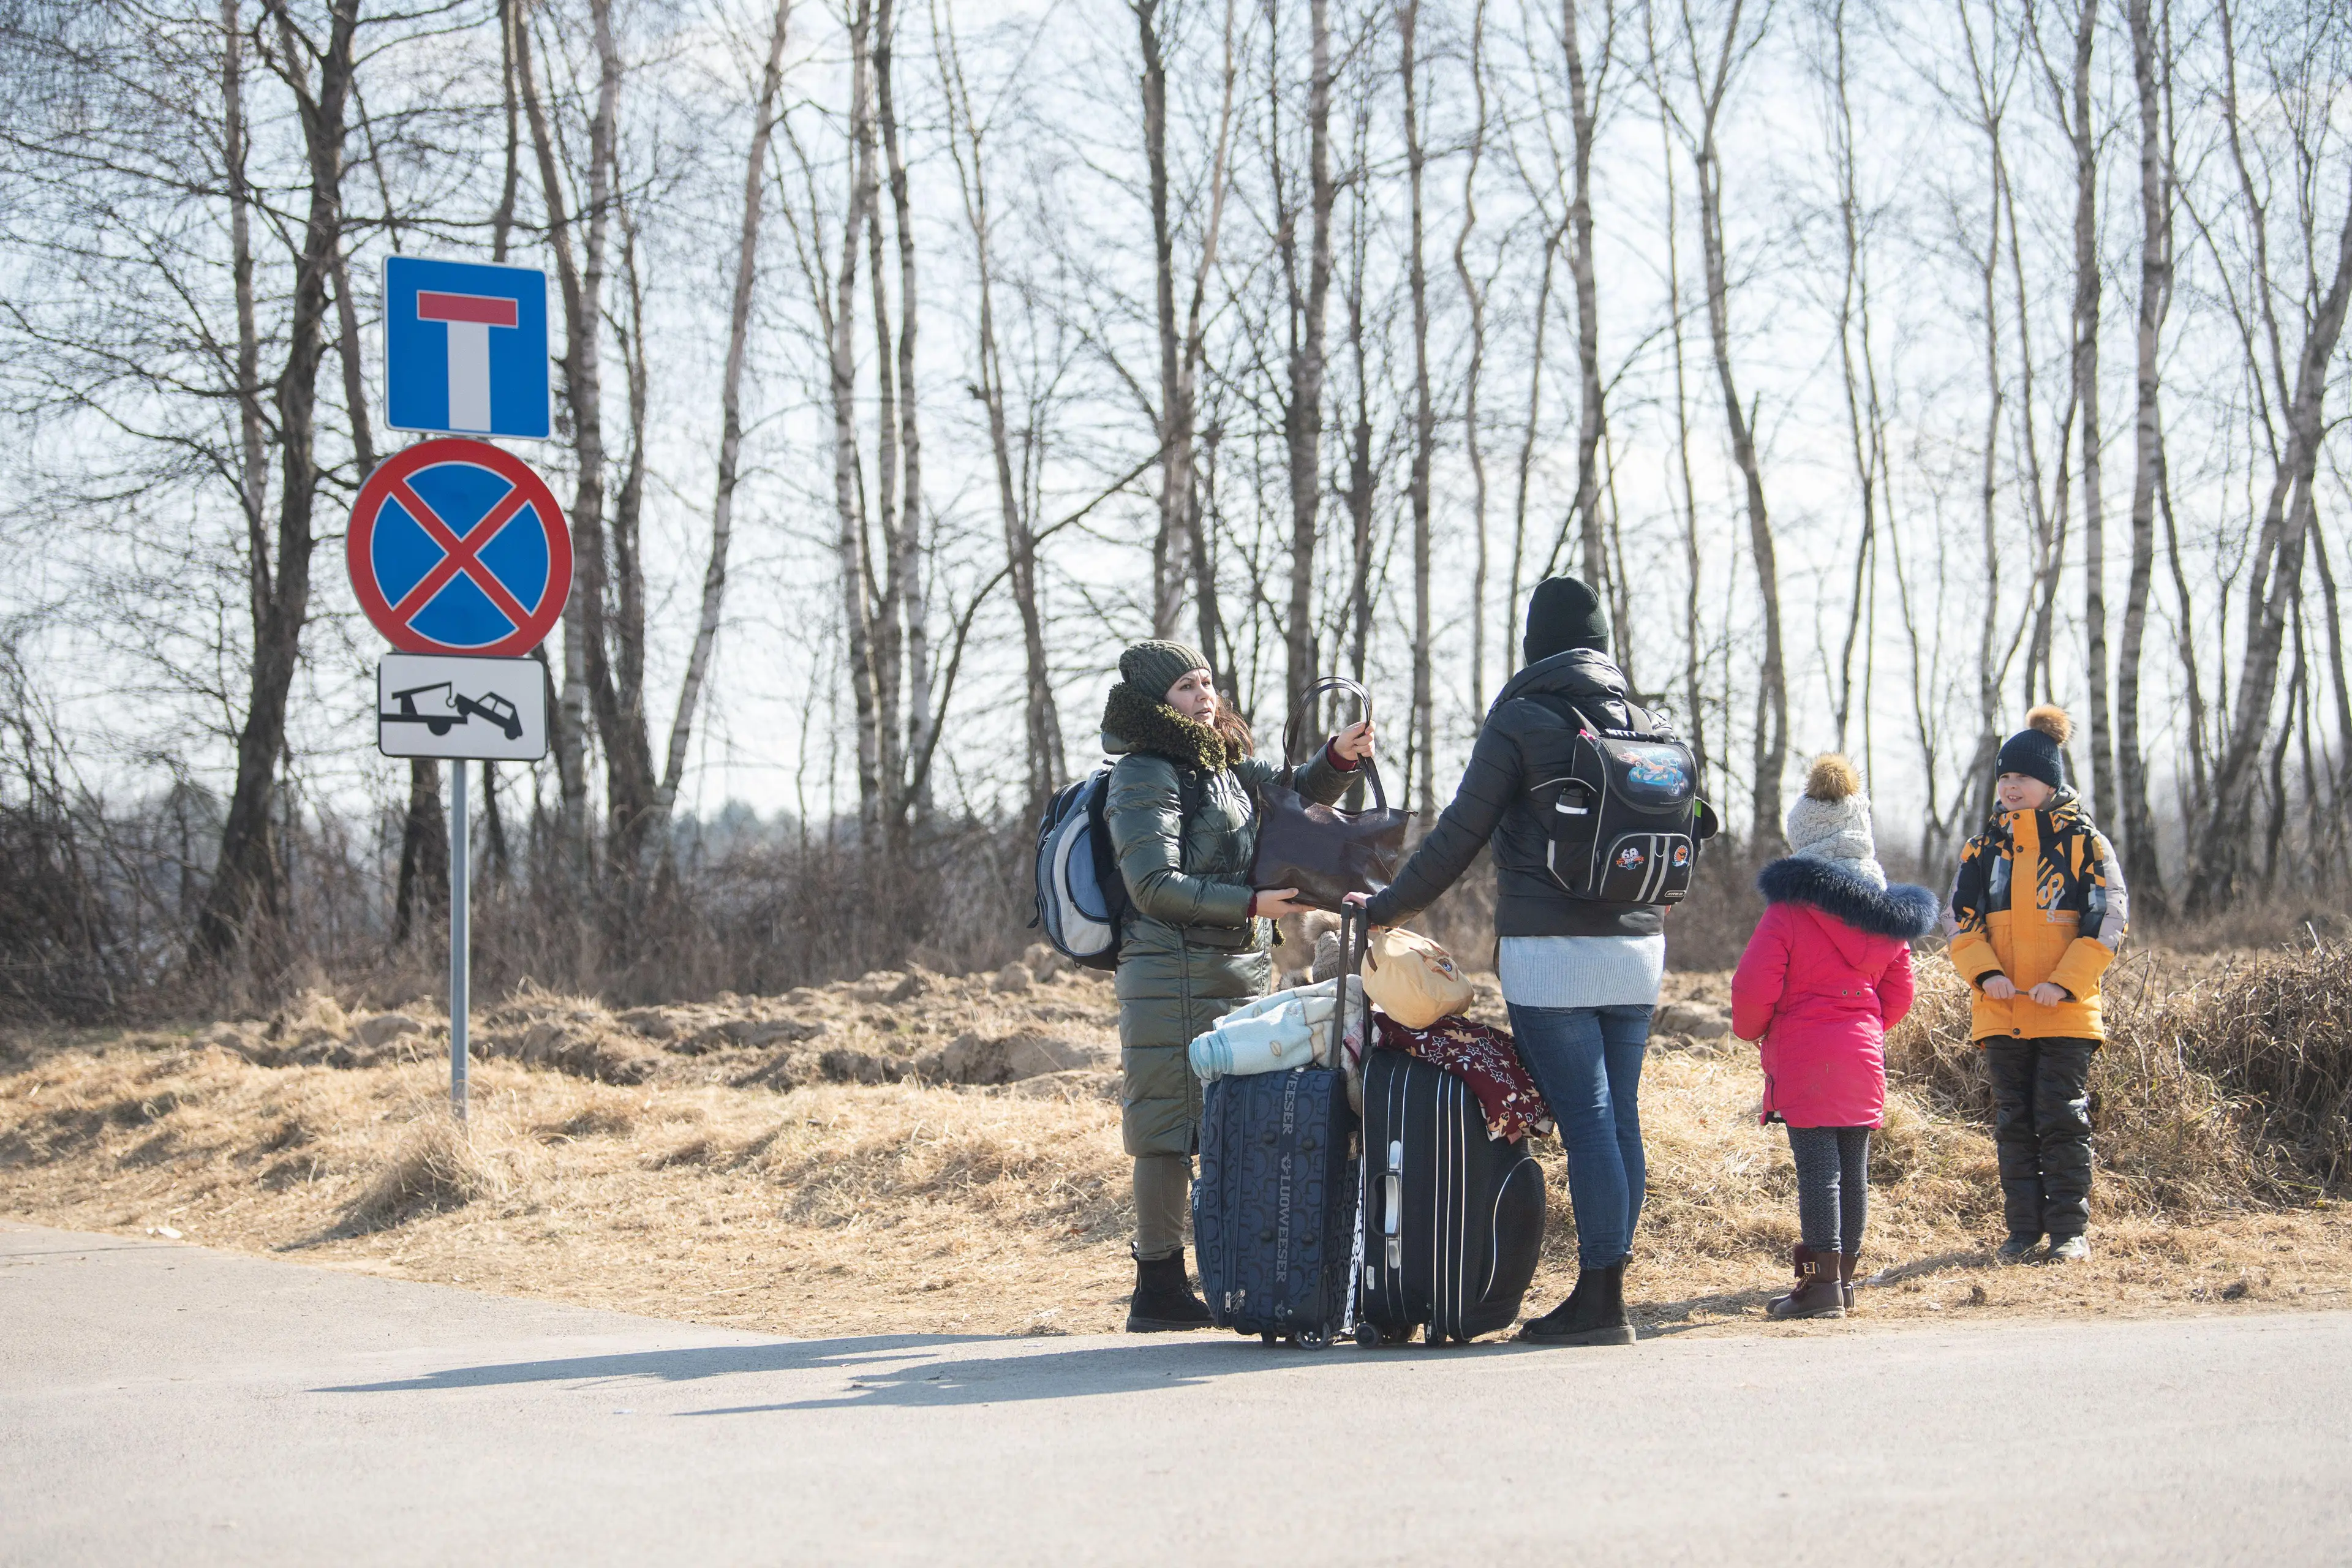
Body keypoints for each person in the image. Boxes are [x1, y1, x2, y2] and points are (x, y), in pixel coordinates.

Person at [1358, 576, 1659, 1347]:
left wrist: (1383, 911)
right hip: (1640, 950)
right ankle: (1609, 1285)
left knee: (1588, 1121)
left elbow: (1459, 835)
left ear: (1535, 645)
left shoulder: (1523, 718)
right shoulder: (1645, 720)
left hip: (1553, 954)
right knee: (1617, 1116)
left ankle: (1600, 1300)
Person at [1102, 638, 1374, 1330]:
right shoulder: (1142, 775)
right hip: (1167, 971)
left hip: (1236, 966)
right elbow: (1152, 885)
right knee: (1166, 1125)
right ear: (1155, 704)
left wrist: (1338, 758)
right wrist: (1251, 904)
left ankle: (1237, 1267)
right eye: (1188, 688)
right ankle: (1158, 1286)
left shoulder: (1220, 762)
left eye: (1206, 682)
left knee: (1233, 1118)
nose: (1205, 697)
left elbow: (1292, 794)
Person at [1729, 755, 1940, 1319]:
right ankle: (1844, 1283)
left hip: (1805, 1054)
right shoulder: (1887, 914)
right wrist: (1862, 1027)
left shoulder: (1791, 911)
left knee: (1819, 1171)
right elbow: (1900, 994)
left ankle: (1819, 1289)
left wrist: (1754, 1030)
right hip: (1862, 1054)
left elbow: (1753, 987)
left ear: (1802, 838)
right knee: (1855, 1170)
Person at [1945, 705, 2129, 1265]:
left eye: (2020, 776)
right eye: (2003, 777)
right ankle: (2022, 1232)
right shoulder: (1983, 850)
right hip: (2001, 1012)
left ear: (2048, 781)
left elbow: (2109, 918)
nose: (2009, 786)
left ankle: (2070, 1233)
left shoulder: (2085, 844)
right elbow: (1958, 920)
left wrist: (2065, 985)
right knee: (2013, 1125)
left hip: (2065, 1014)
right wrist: (1987, 973)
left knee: (2062, 1120)